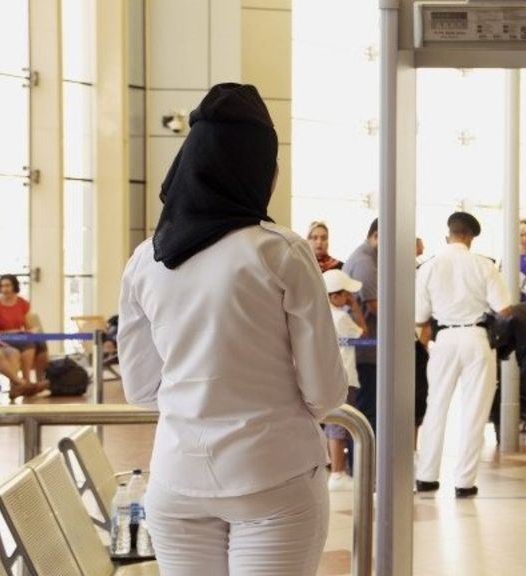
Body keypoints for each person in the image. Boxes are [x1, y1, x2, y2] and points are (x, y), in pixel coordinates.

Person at [118, 83, 347, 576]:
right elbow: (325, 391)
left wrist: (201, 402)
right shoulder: (279, 251)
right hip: (273, 475)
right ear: (258, 168)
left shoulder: (146, 259)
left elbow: (139, 389)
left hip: (176, 482)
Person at [415, 212, 511, 498]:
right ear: (471, 236)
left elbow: (420, 317)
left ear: (448, 235)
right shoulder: (485, 266)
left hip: (443, 340)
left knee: (436, 407)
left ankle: (427, 477)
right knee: (474, 411)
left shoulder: (429, 267)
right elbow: (504, 310)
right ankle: (464, 482)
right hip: (476, 338)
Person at [322, 269, 366, 492]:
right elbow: (362, 331)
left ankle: (336, 470)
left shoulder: (321, 315)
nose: (349, 298)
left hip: (329, 377)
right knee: (340, 426)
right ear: (334, 296)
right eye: (346, 294)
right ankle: (338, 473)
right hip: (346, 377)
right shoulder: (341, 317)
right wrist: (356, 308)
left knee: (332, 425)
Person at [343, 219, 380, 435]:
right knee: (366, 410)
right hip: (365, 351)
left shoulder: (368, 258)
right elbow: (374, 305)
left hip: (365, 348)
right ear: (377, 235)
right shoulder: (365, 262)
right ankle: (365, 464)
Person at [0, 274, 41, 383]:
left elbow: (28, 325)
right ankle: (22, 382)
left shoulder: (22, 303)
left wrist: (32, 330)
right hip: (3, 337)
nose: (4, 289)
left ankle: (28, 380)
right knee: (25, 345)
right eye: (2, 286)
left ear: (14, 286)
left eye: (7, 286)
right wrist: (14, 331)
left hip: (18, 337)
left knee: (36, 344)